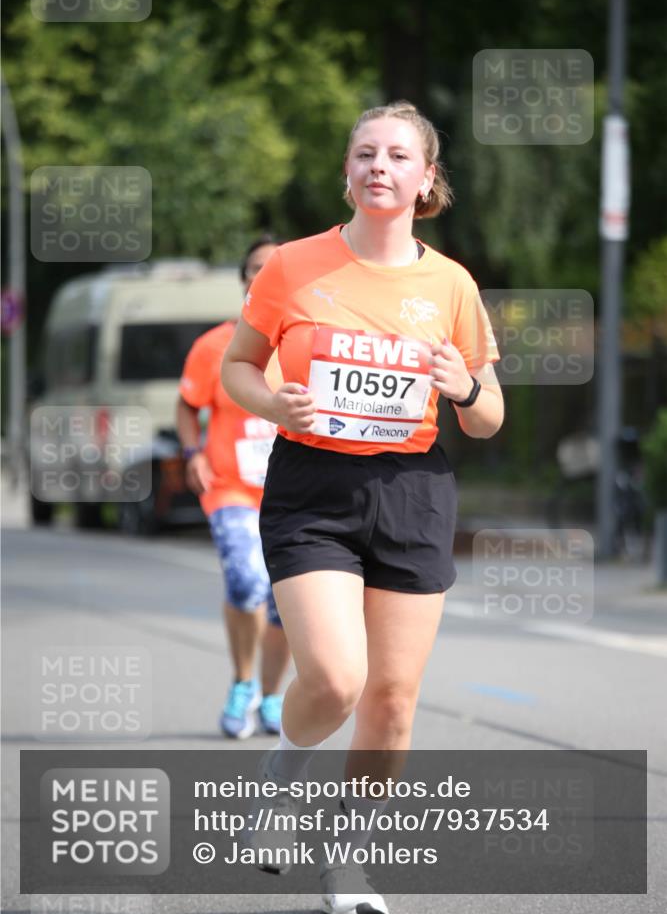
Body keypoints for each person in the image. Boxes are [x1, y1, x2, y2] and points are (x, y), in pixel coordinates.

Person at [221, 102, 504, 914]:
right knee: (338, 679)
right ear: (346, 173)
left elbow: (488, 418)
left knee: (389, 701)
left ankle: (347, 865)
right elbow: (241, 365)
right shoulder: (291, 267)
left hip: (412, 491)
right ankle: (277, 789)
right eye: (364, 154)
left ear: (425, 180)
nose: (379, 166)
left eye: (397, 157)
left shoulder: (449, 284)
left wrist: (465, 388)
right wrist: (276, 407)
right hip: (313, 487)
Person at [176, 237, 290, 739]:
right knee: (247, 583)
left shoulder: (309, 341)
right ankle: (242, 682)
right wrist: (192, 452)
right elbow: (187, 405)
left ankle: (270, 696)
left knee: (287, 605)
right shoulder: (214, 345)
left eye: (274, 267)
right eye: (255, 268)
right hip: (231, 489)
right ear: (244, 280)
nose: (263, 275)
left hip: (294, 494)